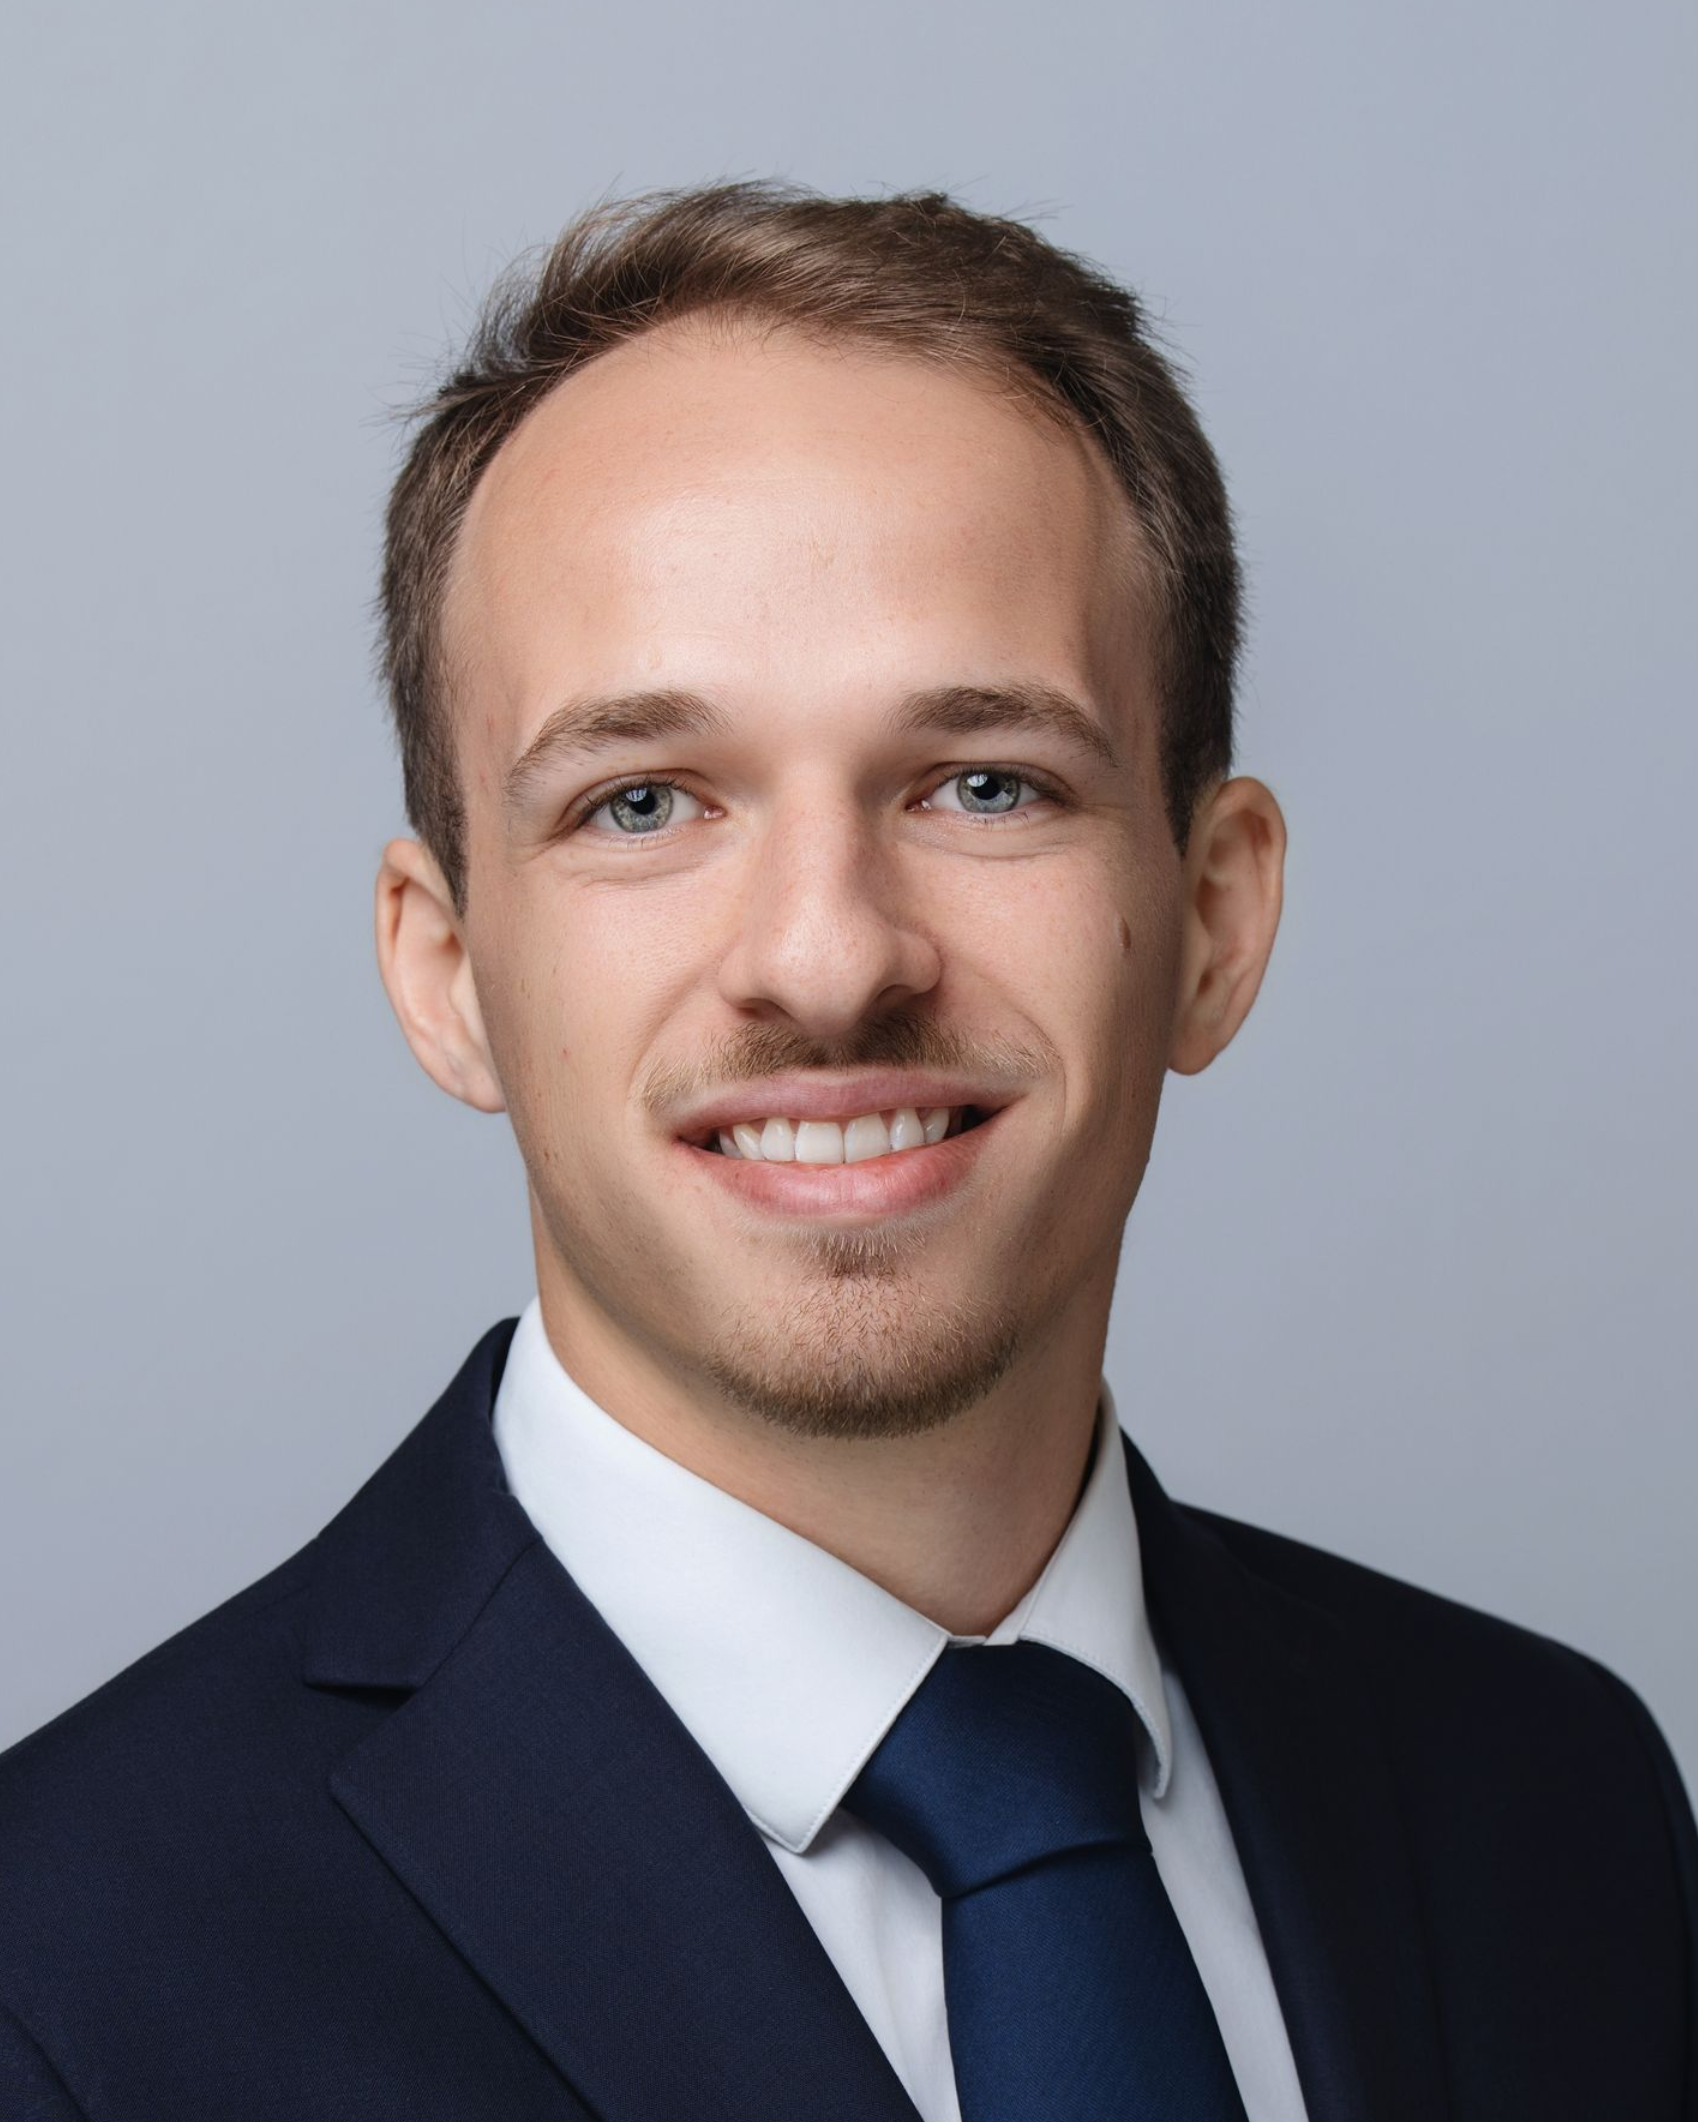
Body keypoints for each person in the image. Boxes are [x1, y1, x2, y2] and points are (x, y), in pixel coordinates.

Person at [0, 178, 1691, 2122]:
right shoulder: (61, 1976)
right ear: (449, 967)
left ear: (1214, 918)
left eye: (986, 780)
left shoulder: (1557, 1802)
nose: (827, 955)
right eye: (644, 800)